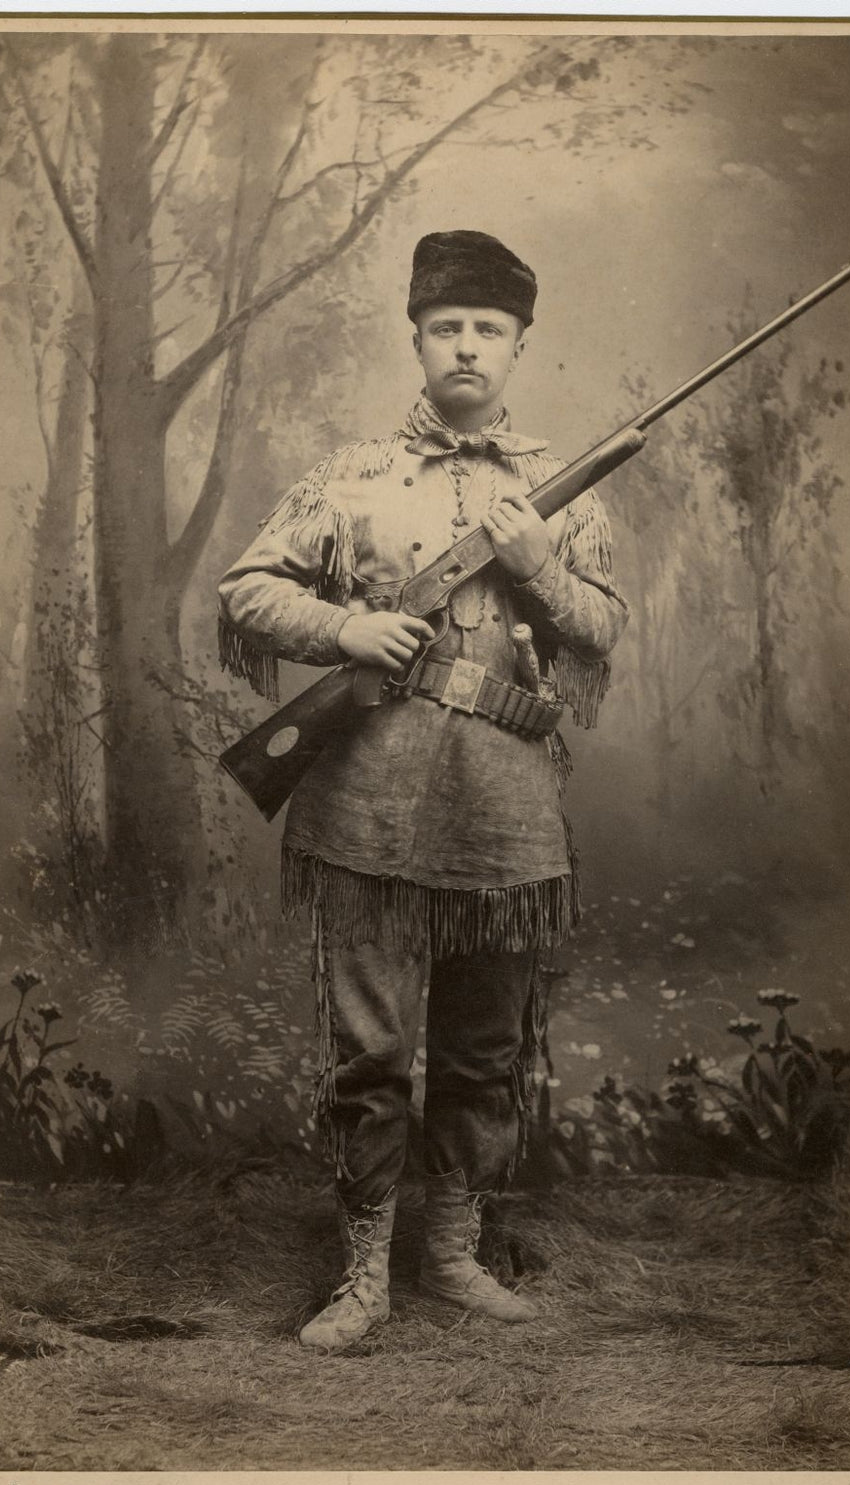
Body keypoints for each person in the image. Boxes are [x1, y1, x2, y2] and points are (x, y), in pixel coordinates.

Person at [218, 230, 629, 1352]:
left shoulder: (556, 489)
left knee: (487, 1048)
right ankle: (362, 1274)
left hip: (505, 814)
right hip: (365, 805)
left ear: (518, 345)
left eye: (488, 330)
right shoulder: (347, 478)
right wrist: (348, 625)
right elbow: (247, 587)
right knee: (371, 1050)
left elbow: (603, 632)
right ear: (416, 336)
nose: (466, 347)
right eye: (447, 326)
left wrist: (537, 560)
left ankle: (449, 1253)